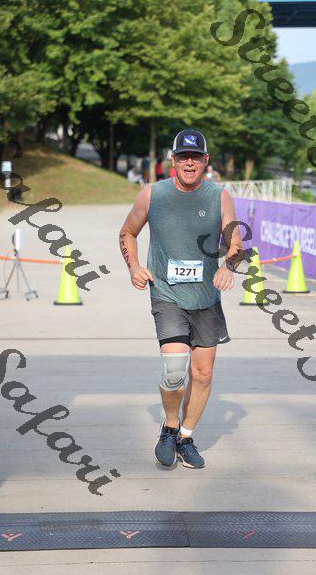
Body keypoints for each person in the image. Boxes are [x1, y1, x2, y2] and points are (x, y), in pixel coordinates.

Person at [119, 129, 243, 469]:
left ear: (206, 161)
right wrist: (134, 267)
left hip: (206, 297)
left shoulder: (219, 196)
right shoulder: (152, 194)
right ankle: (170, 427)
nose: (190, 163)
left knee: (202, 374)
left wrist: (228, 266)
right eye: (183, 157)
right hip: (167, 294)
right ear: (172, 160)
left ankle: (185, 437)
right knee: (175, 371)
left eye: (196, 157)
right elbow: (128, 232)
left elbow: (236, 244)